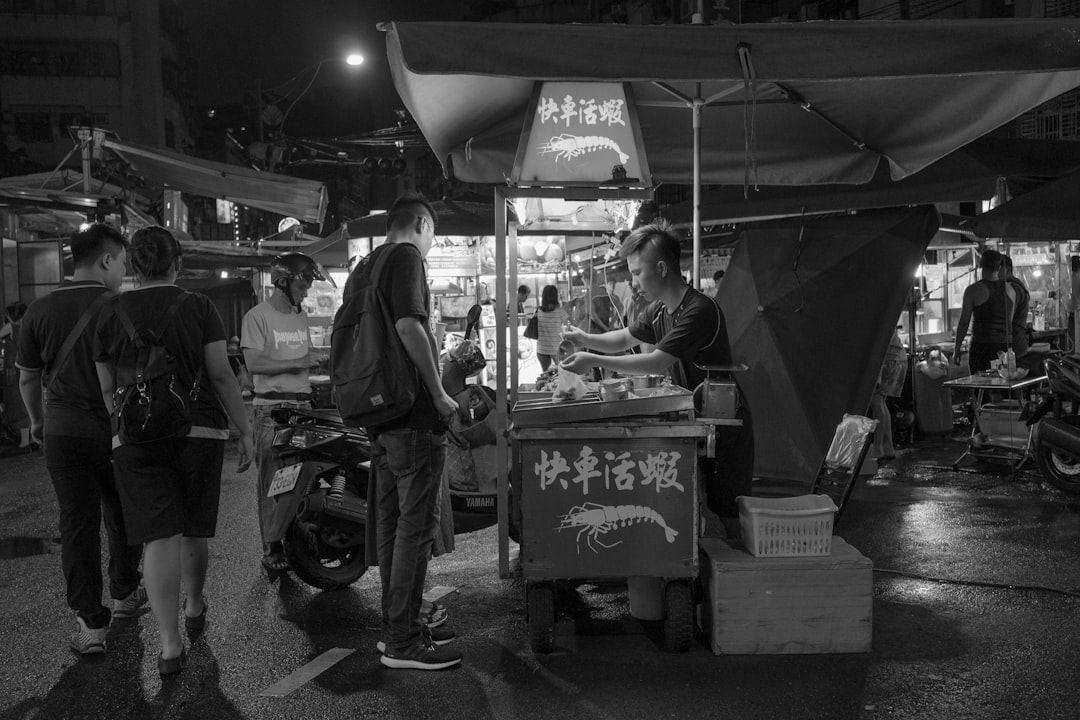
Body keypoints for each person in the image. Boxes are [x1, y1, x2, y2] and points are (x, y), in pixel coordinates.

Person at [93, 226, 254, 675]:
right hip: (198, 429)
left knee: (157, 537)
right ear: (176, 263)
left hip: (135, 438)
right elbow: (222, 374)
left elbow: (106, 387)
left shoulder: (109, 312)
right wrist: (246, 431)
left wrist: (119, 429)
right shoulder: (199, 306)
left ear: (135, 267)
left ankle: (168, 646)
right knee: (192, 529)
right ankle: (195, 604)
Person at [561, 220, 754, 538]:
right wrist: (585, 338)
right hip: (696, 417)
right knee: (697, 505)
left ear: (662, 268)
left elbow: (656, 361)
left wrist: (591, 360)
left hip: (724, 421)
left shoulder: (698, 310)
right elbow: (623, 338)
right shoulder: (660, 310)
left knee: (729, 514)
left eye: (637, 273)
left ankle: (741, 583)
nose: (633, 281)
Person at [345, 194, 462, 671]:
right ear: (420, 223)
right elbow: (411, 327)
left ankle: (398, 630)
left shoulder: (364, 264)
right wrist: (438, 392)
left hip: (379, 413)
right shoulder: (407, 256)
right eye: (433, 232)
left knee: (393, 526)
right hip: (411, 415)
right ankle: (406, 643)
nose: (433, 244)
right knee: (416, 529)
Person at [16, 224, 144, 655]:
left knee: (77, 522)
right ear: (106, 260)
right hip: (113, 431)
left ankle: (90, 625)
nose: (123, 271)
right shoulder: (121, 308)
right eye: (123, 262)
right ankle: (125, 594)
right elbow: (136, 374)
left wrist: (38, 421)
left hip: (62, 432)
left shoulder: (38, 309)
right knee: (123, 513)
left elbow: (28, 378)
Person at [241, 252, 321, 575]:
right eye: (304, 284)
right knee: (272, 480)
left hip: (302, 406)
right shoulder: (257, 317)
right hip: (272, 409)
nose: (307, 291)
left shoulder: (301, 316)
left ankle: (296, 540)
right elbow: (255, 364)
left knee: (302, 477)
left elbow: (304, 356)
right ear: (283, 281)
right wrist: (298, 363)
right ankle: (271, 547)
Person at [953, 249, 1017, 374]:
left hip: (982, 348)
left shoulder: (973, 290)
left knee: (981, 389)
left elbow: (964, 322)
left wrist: (957, 349)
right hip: (1005, 348)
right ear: (999, 268)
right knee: (1002, 387)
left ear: (980, 266)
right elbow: (1010, 320)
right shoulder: (1011, 290)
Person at [872, 327, 907, 461]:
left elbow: (880, 343)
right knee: (881, 402)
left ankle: (878, 449)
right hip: (897, 358)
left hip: (889, 359)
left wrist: (878, 374)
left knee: (877, 401)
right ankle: (888, 448)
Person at [1, 300, 31, 451]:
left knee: (17, 405)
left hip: (12, 371)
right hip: (22, 369)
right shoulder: (26, 327)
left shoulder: (10, 327)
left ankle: (24, 442)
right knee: (23, 403)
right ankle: (29, 439)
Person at [1003, 256, 1032, 370]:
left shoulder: (1013, 287)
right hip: (1017, 342)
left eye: (997, 269)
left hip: (1014, 344)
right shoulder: (1016, 285)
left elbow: (1007, 318)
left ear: (1006, 269)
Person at [534, 285, 565, 371]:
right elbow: (570, 324)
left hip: (542, 349)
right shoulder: (561, 311)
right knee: (561, 374)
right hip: (557, 349)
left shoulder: (538, 311)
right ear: (556, 296)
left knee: (546, 374)